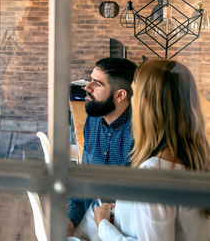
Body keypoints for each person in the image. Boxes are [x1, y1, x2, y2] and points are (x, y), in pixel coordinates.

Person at [89, 60, 210, 240]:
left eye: (135, 93)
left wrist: (103, 226)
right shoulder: (199, 157)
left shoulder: (154, 177)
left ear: (146, 105)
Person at [68, 58, 137, 236]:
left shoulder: (138, 134)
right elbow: (83, 179)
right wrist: (70, 219)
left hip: (127, 227)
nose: (87, 87)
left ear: (120, 95)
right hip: (96, 212)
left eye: (96, 83)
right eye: (90, 79)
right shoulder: (94, 119)